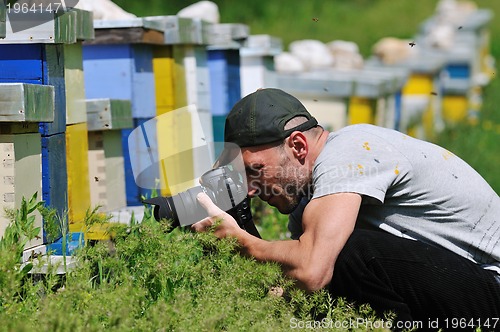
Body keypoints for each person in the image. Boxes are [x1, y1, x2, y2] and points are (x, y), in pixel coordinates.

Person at [191, 88, 500, 329]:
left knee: (351, 254)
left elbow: (312, 271)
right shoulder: (310, 206)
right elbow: (295, 287)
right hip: (461, 289)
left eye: (255, 170)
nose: (252, 189)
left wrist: (241, 242)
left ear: (298, 146)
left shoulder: (349, 151)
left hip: (492, 289)